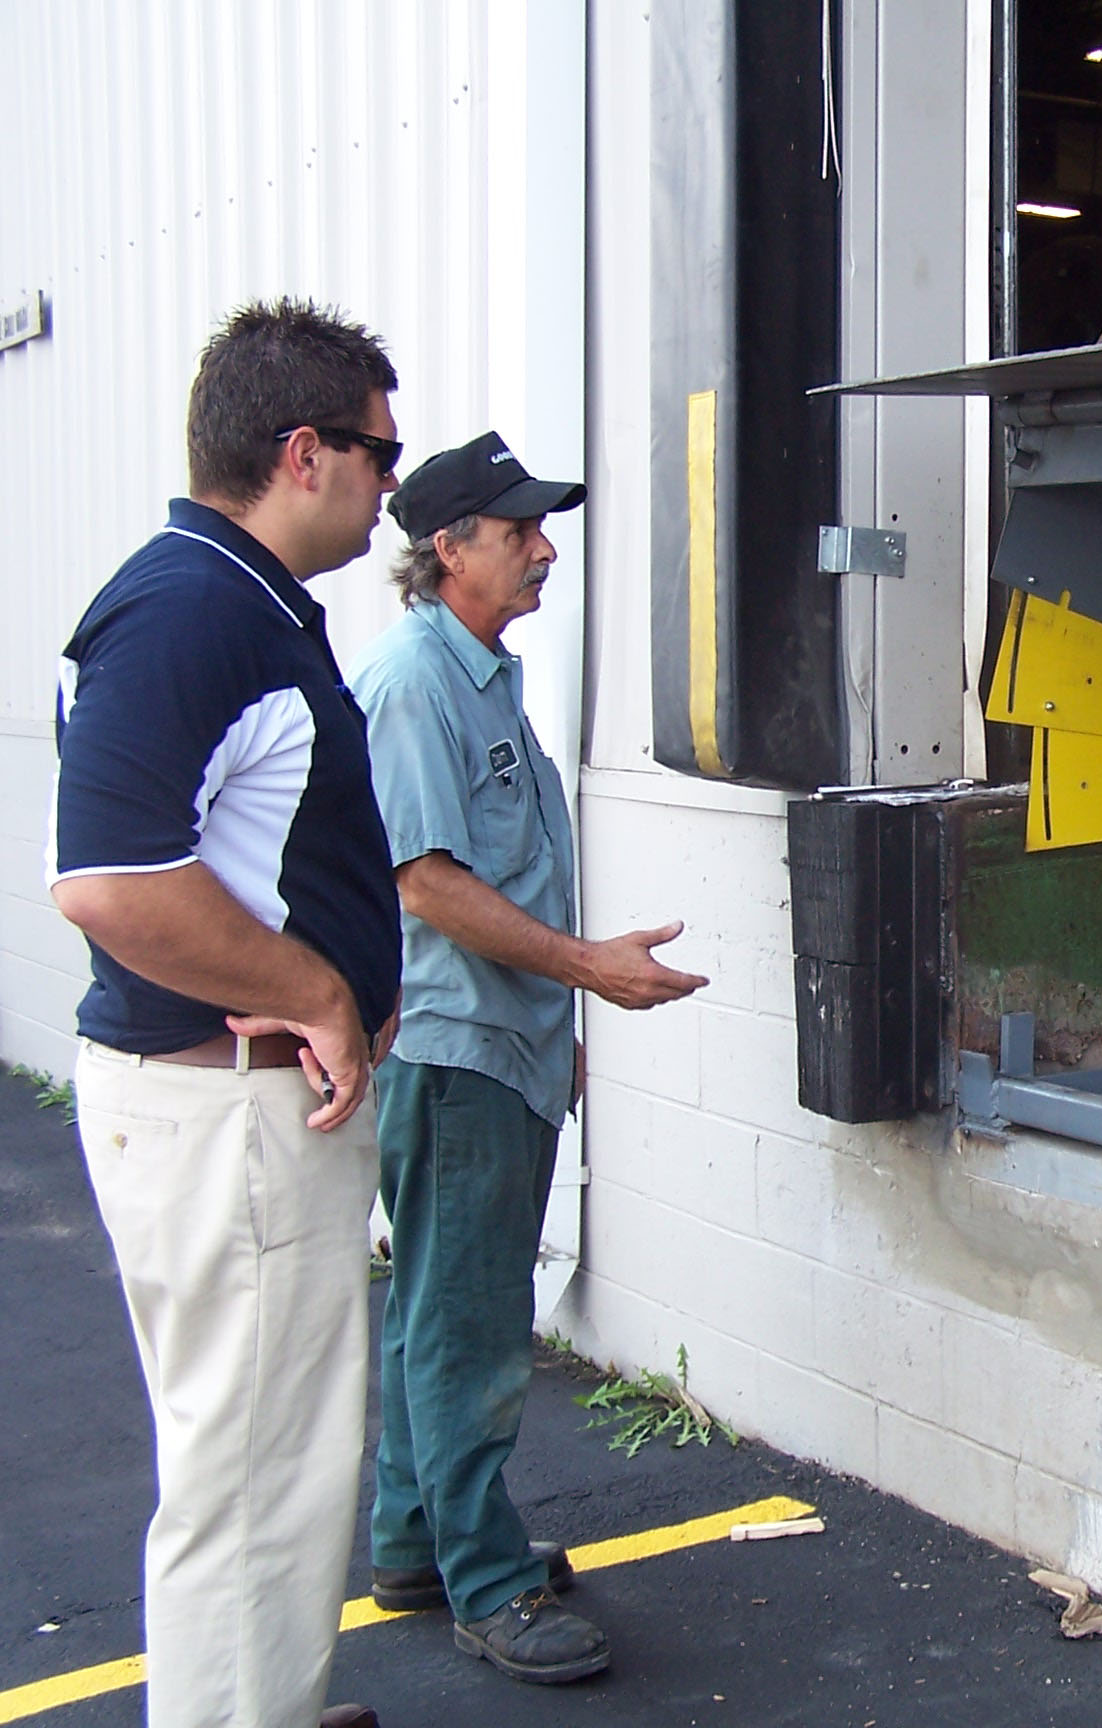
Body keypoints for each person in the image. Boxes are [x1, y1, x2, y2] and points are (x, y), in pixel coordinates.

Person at [48, 300, 405, 1728]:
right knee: (257, 1485)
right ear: (303, 450)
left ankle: (260, 1700)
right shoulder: (194, 606)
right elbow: (113, 884)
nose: (394, 483)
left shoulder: (223, 597)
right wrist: (316, 992)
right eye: (382, 453)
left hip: (232, 1105)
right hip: (231, 1108)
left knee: (257, 1466)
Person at [348, 432, 707, 1685]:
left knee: (438, 1311)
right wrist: (587, 970)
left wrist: (568, 1016)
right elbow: (430, 884)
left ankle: (416, 1544)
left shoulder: (483, 675)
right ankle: (489, 1586)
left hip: (502, 1045)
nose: (546, 548)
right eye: (519, 531)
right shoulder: (413, 685)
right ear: (449, 549)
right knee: (469, 1327)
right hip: (455, 1056)